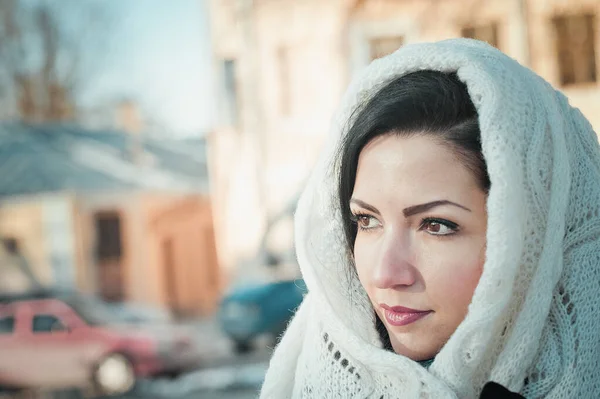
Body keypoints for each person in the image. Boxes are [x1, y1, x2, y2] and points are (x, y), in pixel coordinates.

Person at [260, 38, 600, 398]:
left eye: (436, 225)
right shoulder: (316, 372)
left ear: (531, 234)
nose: (385, 274)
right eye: (366, 220)